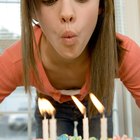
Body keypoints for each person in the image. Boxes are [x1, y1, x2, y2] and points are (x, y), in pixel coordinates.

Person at [0, 0, 139, 139]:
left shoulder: (122, 53)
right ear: (32, 10)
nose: (67, 14)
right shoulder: (19, 60)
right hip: (51, 106)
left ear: (101, 5)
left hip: (97, 101)